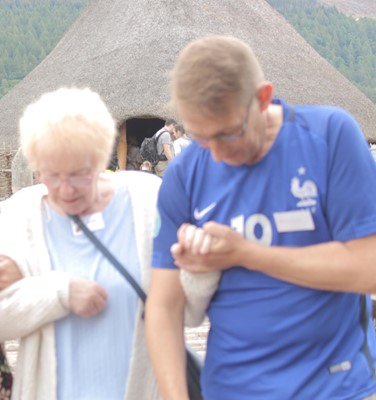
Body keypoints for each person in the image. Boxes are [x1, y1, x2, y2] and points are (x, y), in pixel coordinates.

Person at [145, 35, 376, 400]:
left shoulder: (330, 137)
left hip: (335, 387)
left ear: (263, 98)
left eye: (228, 134)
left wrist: (245, 253)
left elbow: (368, 269)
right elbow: (163, 306)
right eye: (203, 139)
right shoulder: (185, 173)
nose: (217, 156)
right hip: (231, 388)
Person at [0, 87, 162, 400]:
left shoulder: (147, 199)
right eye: (51, 175)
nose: (65, 189)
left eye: (79, 174)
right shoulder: (23, 212)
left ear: (101, 156)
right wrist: (60, 292)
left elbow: (187, 306)